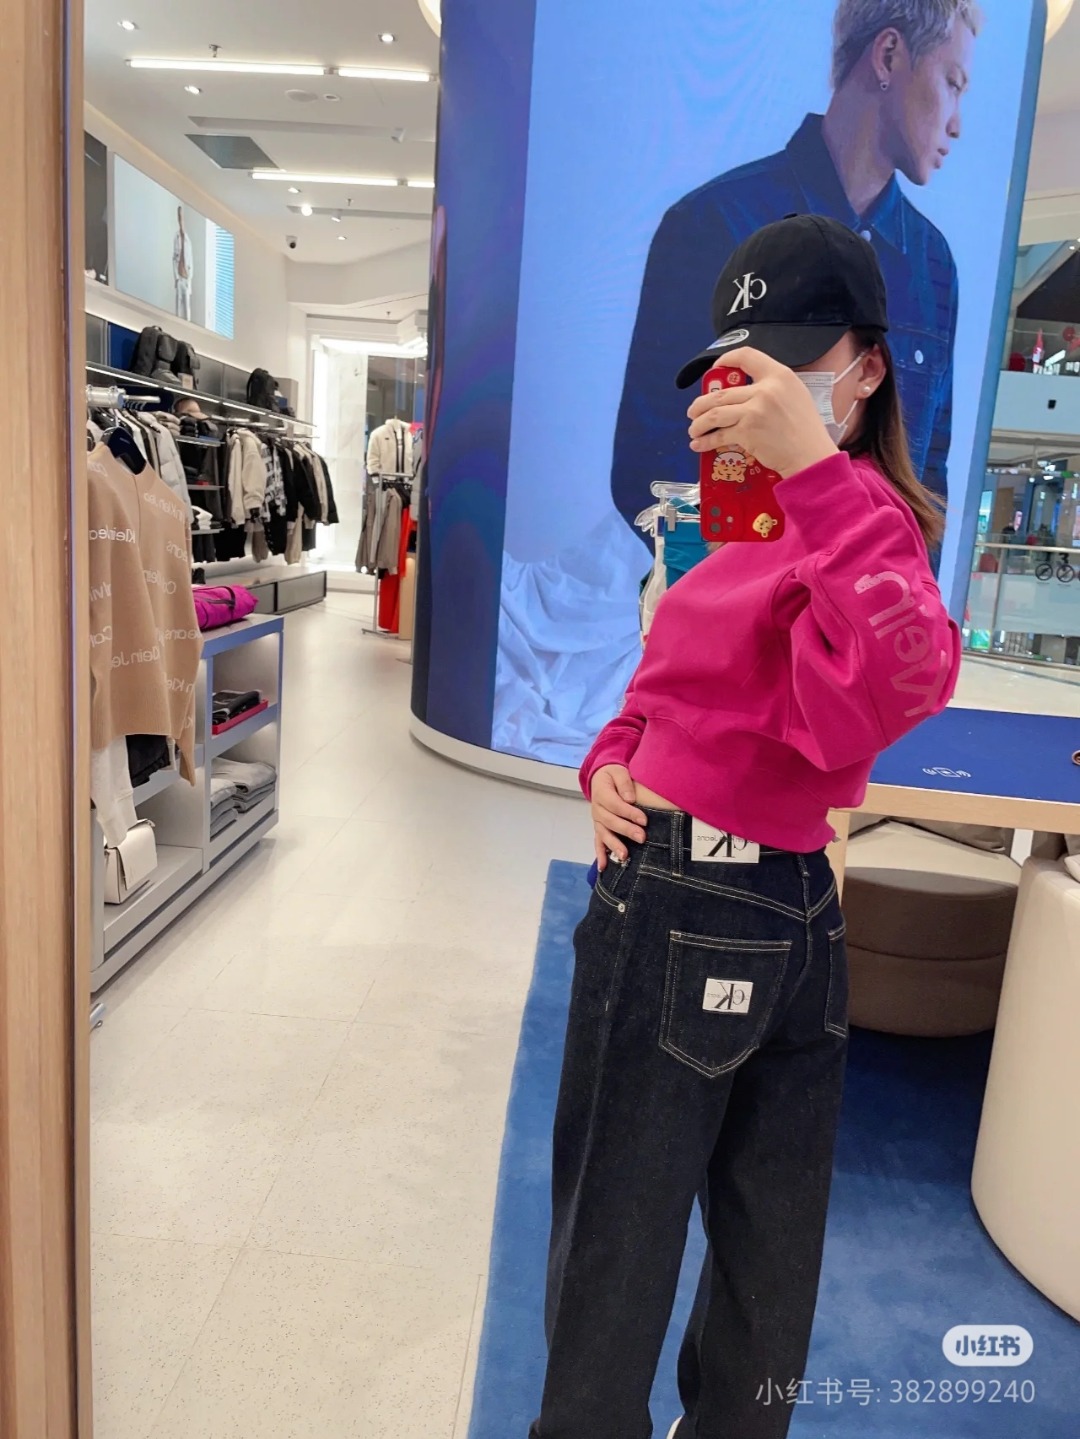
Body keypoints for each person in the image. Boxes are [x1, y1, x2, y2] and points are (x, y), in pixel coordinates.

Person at [531, 216, 961, 1439]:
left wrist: (813, 472)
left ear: (863, 370)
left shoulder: (858, 517)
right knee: (674, 1247)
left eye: (785, 358)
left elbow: (906, 680)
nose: (749, 386)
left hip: (747, 904)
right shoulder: (737, 517)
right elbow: (670, 683)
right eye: (735, 362)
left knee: (709, 1257)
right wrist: (609, 758)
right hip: (709, 885)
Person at [610, 0, 980, 541]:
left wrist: (895, 586)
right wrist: (737, 581)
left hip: (867, 589)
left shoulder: (933, 264)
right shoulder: (711, 223)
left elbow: (926, 481)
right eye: (952, 83)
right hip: (735, 586)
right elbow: (649, 458)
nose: (956, 124)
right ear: (888, 55)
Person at [173, 205, 193, 321]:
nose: (180, 220)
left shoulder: (188, 241)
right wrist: (176, 277)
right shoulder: (176, 237)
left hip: (186, 279)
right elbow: (174, 258)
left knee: (187, 309)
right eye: (179, 217)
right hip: (179, 279)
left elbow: (191, 262)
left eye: (181, 217)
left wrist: (189, 279)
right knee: (178, 308)